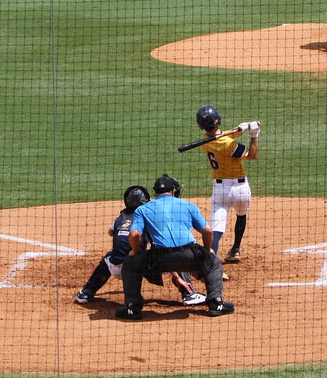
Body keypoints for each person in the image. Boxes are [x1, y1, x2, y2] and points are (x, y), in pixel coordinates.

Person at [117, 174, 234, 320]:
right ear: (173, 191)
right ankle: (216, 304)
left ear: (155, 192)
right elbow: (208, 231)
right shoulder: (187, 205)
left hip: (159, 259)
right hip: (189, 256)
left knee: (129, 263)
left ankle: (132, 308)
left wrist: (135, 251)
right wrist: (208, 249)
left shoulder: (143, 209)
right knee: (214, 263)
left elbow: (134, 235)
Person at [74, 185, 206, 306]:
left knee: (108, 258)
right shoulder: (147, 217)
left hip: (115, 267)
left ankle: (86, 292)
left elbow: (110, 232)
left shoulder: (120, 217)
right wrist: (177, 277)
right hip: (137, 268)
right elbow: (160, 249)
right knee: (173, 255)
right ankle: (188, 294)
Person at [195, 105, 259, 266]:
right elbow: (252, 154)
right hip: (240, 189)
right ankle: (235, 249)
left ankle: (211, 260)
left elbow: (224, 136)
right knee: (241, 215)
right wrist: (254, 135)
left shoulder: (205, 141)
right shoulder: (227, 144)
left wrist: (239, 130)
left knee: (216, 228)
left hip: (220, 190)